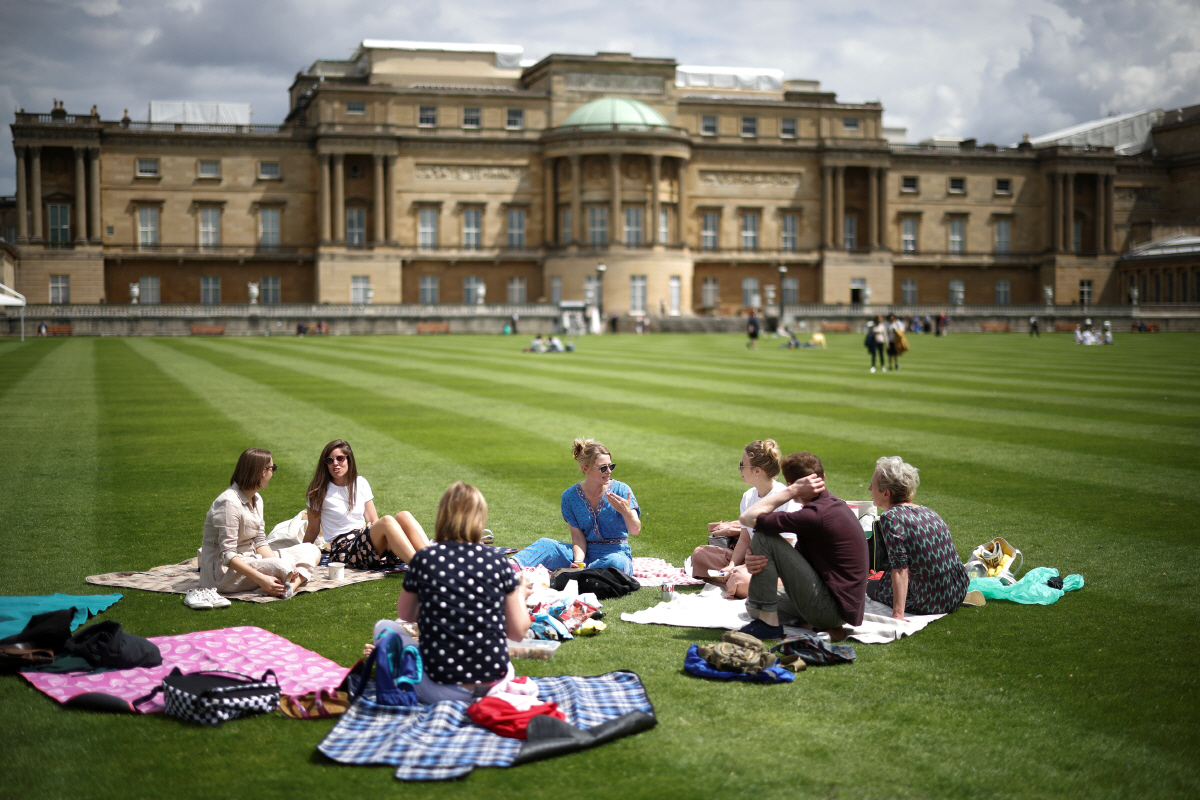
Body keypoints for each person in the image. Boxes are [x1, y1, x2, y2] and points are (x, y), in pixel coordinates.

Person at [393, 481, 533, 702]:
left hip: (440, 686)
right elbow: (517, 632)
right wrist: (520, 594)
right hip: (492, 682)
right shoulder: (497, 561)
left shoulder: (425, 559)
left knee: (386, 628)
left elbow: (405, 616)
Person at [737, 452, 869, 640]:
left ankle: (769, 626)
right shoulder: (831, 506)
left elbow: (748, 518)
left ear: (793, 485)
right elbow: (794, 566)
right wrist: (760, 561)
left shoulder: (815, 515)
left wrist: (790, 492)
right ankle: (811, 624)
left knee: (763, 535)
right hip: (839, 607)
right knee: (753, 604)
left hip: (831, 608)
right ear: (823, 478)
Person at [195, 448, 320, 607]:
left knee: (311, 549)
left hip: (251, 559)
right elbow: (227, 555)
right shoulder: (228, 503)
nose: (273, 473)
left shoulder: (257, 499)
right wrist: (263, 578)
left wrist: (277, 563)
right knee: (283, 566)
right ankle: (283, 582)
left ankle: (290, 586)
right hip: (222, 573)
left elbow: (260, 541)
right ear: (262, 471)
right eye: (273, 468)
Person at [690, 440, 802, 598]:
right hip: (751, 561)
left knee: (740, 579)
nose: (739, 468)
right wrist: (731, 565)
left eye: (742, 464)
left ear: (757, 470)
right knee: (699, 555)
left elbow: (785, 549)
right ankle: (736, 581)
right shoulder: (748, 497)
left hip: (778, 566)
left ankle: (738, 582)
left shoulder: (785, 499)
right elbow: (744, 539)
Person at [514, 438, 641, 574]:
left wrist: (626, 512)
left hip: (617, 553)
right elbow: (578, 538)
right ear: (585, 469)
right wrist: (579, 562)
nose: (609, 471)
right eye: (603, 468)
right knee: (545, 545)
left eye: (611, 466)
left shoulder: (622, 490)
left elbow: (635, 530)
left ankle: (578, 573)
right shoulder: (569, 496)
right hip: (585, 554)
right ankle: (507, 567)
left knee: (616, 562)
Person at [866, 456, 969, 619]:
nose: (869, 489)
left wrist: (897, 615)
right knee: (885, 578)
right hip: (957, 592)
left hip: (931, 601)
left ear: (886, 493)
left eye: (873, 486)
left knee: (871, 587)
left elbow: (900, 569)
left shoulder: (891, 518)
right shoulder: (929, 511)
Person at [303, 439, 429, 569]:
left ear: (349, 460)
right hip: (344, 550)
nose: (335, 463)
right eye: (329, 460)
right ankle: (419, 568)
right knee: (387, 521)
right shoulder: (318, 491)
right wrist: (299, 554)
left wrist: (371, 529)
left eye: (340, 458)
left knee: (404, 515)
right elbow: (313, 529)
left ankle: (433, 559)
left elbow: (374, 520)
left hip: (363, 539)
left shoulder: (360, 482)